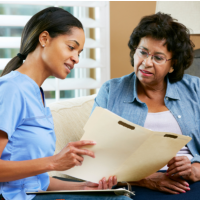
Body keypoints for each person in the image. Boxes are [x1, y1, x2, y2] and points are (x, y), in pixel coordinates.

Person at [0, 7, 130, 200]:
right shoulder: (12, 89)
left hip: (34, 194)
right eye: (71, 47)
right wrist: (53, 162)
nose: (76, 59)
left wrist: (83, 187)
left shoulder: (37, 95)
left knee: (113, 195)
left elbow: (37, 181)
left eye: (79, 52)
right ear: (44, 39)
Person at [91, 12, 200, 200]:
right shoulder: (111, 91)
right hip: (133, 183)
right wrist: (144, 178)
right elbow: (94, 155)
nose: (146, 63)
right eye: (142, 52)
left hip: (189, 181)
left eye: (158, 58)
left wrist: (195, 169)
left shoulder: (195, 89)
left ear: (173, 64)